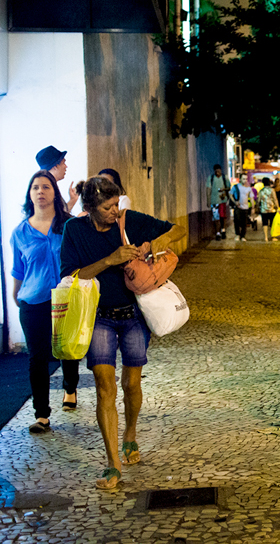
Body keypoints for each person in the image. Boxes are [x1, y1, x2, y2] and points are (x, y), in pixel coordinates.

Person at [60, 176, 186, 489]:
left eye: (117, 203)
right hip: (98, 317)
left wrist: (155, 243)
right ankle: (112, 463)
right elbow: (70, 276)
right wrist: (109, 260)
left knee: (131, 384)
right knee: (105, 387)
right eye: (107, 206)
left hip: (133, 316)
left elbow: (178, 229)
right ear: (90, 207)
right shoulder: (74, 231)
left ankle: (130, 433)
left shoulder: (130, 221)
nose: (115, 211)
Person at [9, 171, 81, 434]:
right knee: (37, 357)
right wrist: (16, 296)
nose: (40, 192)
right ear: (30, 194)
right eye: (35, 188)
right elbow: (18, 270)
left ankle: (70, 388)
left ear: (54, 192)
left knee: (66, 349)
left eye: (46, 187)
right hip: (33, 301)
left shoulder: (68, 226)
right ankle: (42, 415)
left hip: (65, 298)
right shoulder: (20, 232)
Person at [36, 145, 79, 211]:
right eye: (63, 163)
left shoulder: (51, 187)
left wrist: (73, 200)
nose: (66, 166)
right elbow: (54, 219)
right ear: (55, 167)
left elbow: (60, 214)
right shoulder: (46, 190)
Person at [229, 173, 254, 241]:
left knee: (244, 223)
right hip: (238, 207)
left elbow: (251, 197)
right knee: (237, 221)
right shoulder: (236, 187)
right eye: (243, 179)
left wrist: (253, 207)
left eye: (246, 179)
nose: (245, 180)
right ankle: (237, 235)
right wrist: (235, 201)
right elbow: (230, 194)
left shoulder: (248, 188)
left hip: (245, 207)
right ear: (240, 179)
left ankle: (243, 236)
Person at [206, 164, 228, 240]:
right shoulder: (211, 178)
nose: (218, 173)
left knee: (222, 217)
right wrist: (208, 200)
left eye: (219, 171)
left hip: (222, 200)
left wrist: (224, 190)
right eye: (216, 171)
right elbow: (208, 189)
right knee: (216, 217)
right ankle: (217, 233)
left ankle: (223, 230)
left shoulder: (225, 178)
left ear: (221, 170)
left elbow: (228, 187)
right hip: (214, 201)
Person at [258, 177, 278, 241]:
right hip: (272, 209)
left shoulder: (261, 191)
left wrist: (258, 206)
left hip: (264, 210)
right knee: (272, 223)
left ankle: (266, 237)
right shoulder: (272, 190)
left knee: (265, 223)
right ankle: (273, 237)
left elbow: (258, 200)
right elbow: (275, 199)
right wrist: (277, 206)